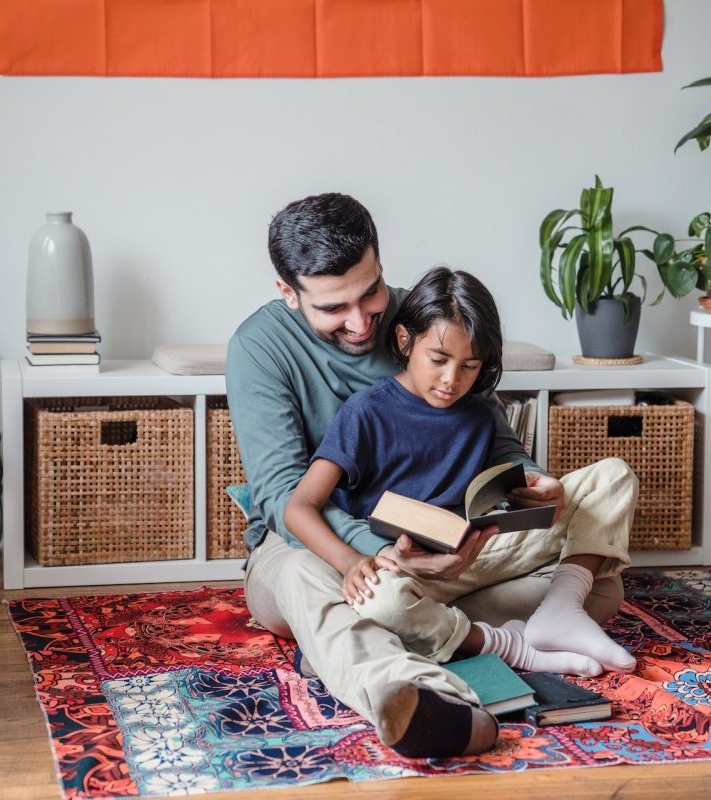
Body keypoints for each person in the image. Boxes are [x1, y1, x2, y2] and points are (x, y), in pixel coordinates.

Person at [226, 192, 638, 760]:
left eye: (370, 293)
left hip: (449, 547)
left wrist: (533, 481)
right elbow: (282, 498)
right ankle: (434, 701)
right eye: (332, 308)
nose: (360, 321)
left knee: (603, 583)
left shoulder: (422, 316)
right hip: (315, 547)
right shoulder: (259, 347)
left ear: (380, 263)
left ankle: (410, 634)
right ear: (288, 294)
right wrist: (382, 555)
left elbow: (490, 431)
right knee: (310, 581)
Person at [285, 266, 633, 680]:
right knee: (381, 604)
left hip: (480, 551)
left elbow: (511, 472)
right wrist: (351, 561)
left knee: (613, 475)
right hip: (409, 569)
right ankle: (509, 645)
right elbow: (299, 507)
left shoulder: (481, 409)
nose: (452, 380)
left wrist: (539, 487)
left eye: (469, 365)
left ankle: (562, 608)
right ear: (405, 340)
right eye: (439, 360)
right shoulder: (365, 412)